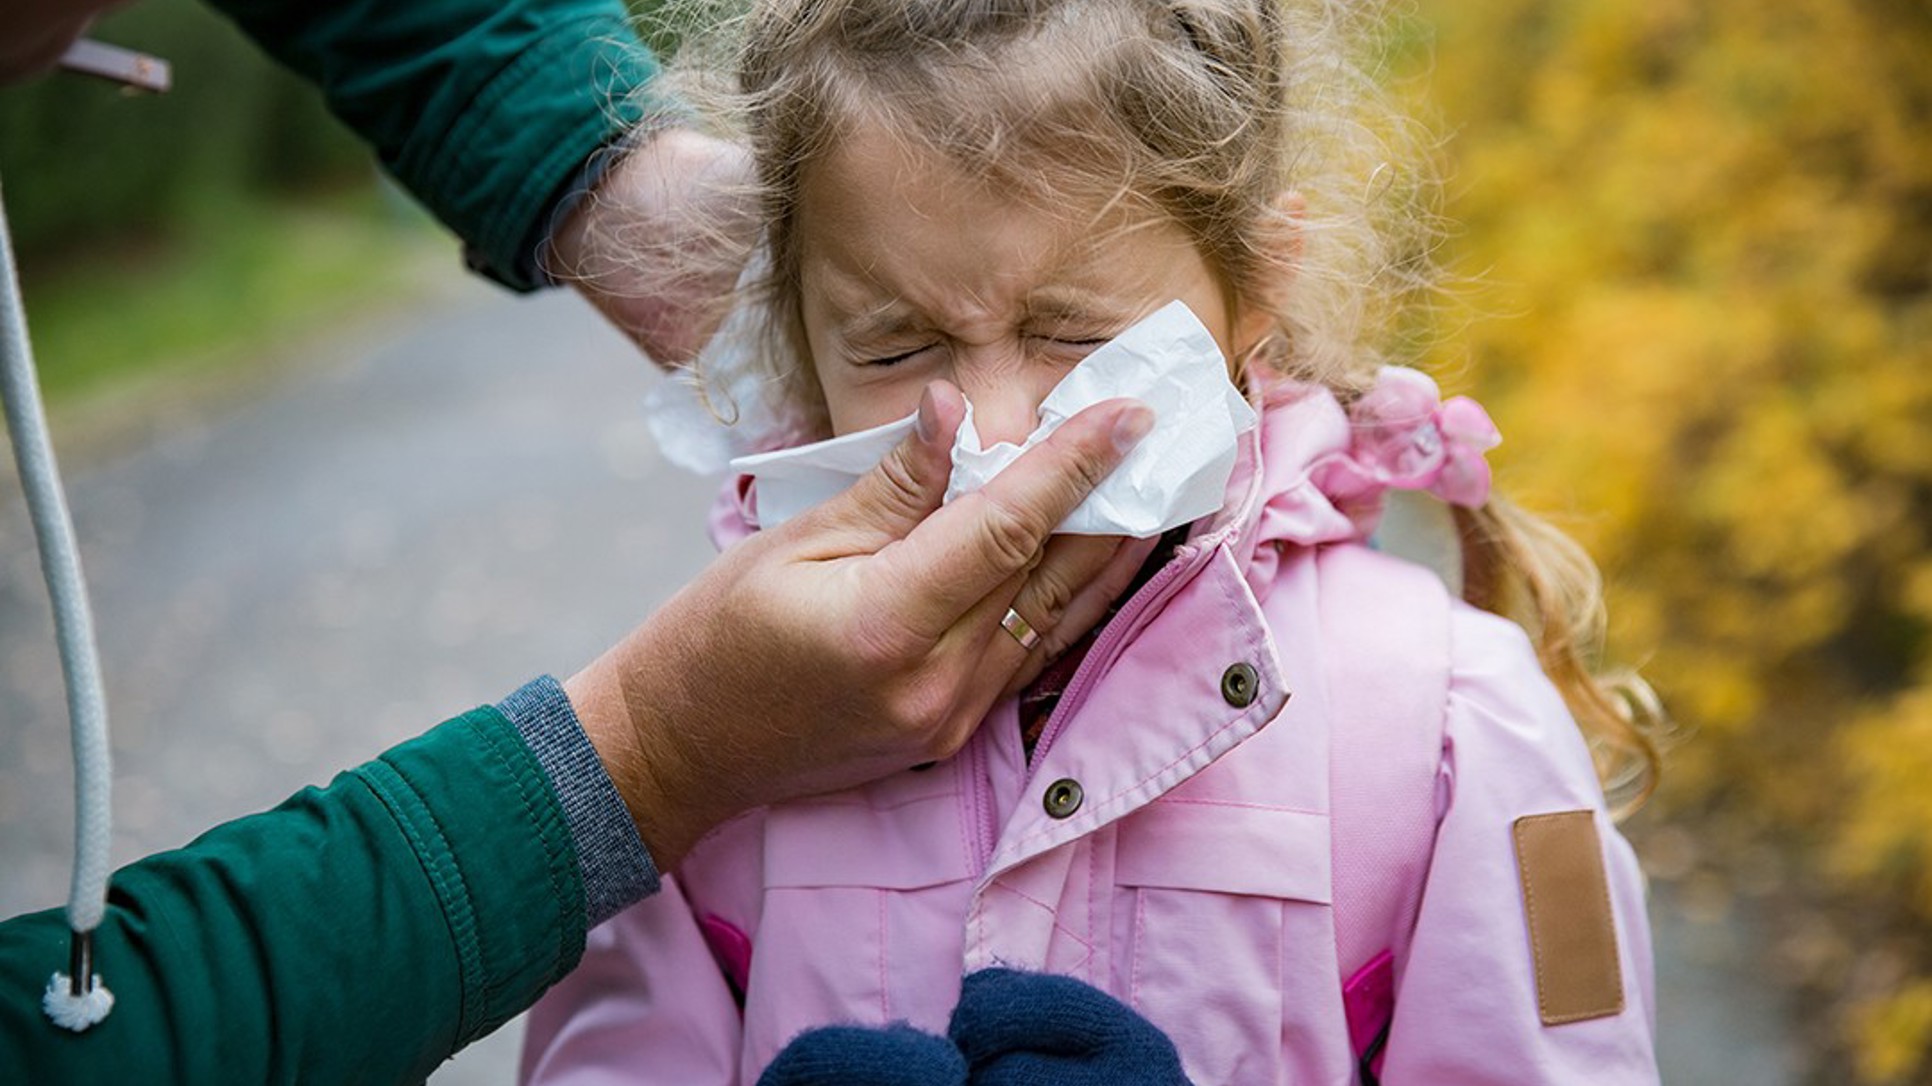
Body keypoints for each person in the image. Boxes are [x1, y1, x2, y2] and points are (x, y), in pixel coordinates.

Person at [519, 0, 1667, 1083]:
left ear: (1257, 283)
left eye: (1071, 332)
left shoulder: (1444, 723)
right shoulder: (713, 722)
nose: (995, 432)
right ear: (797, 331)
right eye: (893, 347)